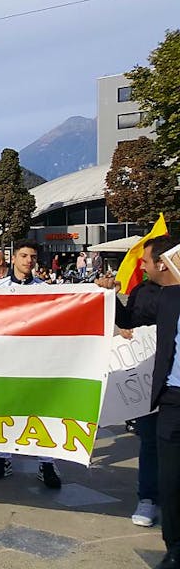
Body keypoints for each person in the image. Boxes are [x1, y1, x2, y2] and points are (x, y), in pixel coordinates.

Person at [97, 235, 176, 528]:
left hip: (174, 382)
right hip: (149, 383)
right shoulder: (142, 290)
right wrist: (111, 298)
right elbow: (130, 322)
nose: (141, 266)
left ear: (162, 263)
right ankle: (149, 498)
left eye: (144, 261)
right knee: (151, 442)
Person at [0, 241, 61, 489]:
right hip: (5, 360)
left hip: (36, 360)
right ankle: (2, 458)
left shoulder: (45, 289)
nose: (29, 260)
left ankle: (47, 463)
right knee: (4, 409)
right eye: (24, 255)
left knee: (42, 410)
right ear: (14, 258)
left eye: (33, 257)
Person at [144, 271, 180, 568]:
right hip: (173, 399)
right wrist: (107, 293)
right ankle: (175, 547)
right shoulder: (169, 296)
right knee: (171, 479)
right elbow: (131, 317)